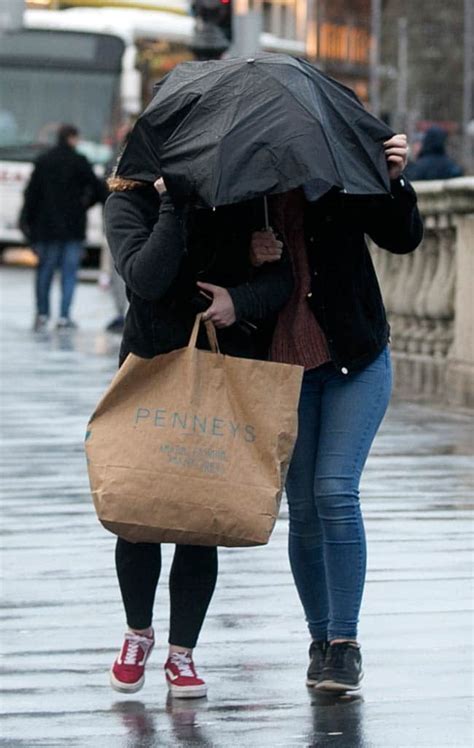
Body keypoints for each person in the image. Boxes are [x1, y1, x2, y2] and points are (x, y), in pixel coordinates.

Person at [104, 173, 293, 697]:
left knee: (202, 511)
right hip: (150, 368)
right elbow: (148, 277)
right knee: (140, 506)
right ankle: (137, 632)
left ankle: (182, 653)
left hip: (223, 369)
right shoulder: (129, 204)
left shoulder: (244, 202)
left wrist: (241, 296)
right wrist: (172, 205)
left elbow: (282, 283)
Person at [251, 134, 423, 693]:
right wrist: (246, 252)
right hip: (286, 369)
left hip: (357, 358)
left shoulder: (347, 175)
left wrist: (392, 179)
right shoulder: (249, 193)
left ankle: (345, 644)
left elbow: (403, 237)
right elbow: (215, 268)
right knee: (302, 509)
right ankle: (320, 639)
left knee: (334, 490)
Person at [20, 124, 107, 331]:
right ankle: (64, 316)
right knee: (69, 274)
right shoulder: (80, 162)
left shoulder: (43, 161)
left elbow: (31, 195)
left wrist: (26, 222)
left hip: (46, 228)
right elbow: (98, 188)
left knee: (45, 272)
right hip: (73, 227)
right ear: (72, 138)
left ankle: (42, 314)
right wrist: (86, 204)